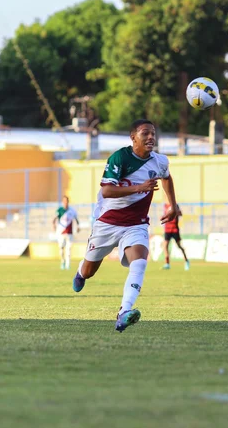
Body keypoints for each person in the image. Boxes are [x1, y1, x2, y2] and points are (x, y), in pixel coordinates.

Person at [71, 119, 178, 332]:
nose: (150, 138)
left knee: (139, 262)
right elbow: (107, 191)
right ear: (133, 137)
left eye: (153, 134)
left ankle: (123, 312)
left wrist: (173, 205)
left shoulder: (160, 161)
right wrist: (139, 187)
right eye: (145, 133)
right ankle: (81, 273)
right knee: (89, 271)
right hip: (107, 223)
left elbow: (166, 177)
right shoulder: (120, 157)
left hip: (136, 224)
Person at [52, 195, 79, 270]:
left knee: (69, 249)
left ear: (68, 202)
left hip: (69, 233)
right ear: (63, 202)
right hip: (61, 232)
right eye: (64, 201)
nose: (65, 203)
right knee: (61, 248)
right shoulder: (60, 210)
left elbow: (76, 220)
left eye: (66, 201)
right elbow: (54, 218)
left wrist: (78, 227)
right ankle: (62, 261)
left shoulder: (72, 211)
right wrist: (53, 225)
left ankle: (68, 264)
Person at [161, 203, 190, 271]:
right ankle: (167, 263)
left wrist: (176, 212)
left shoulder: (175, 204)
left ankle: (186, 261)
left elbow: (180, 214)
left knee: (179, 246)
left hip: (174, 229)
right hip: (167, 229)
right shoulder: (165, 206)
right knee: (165, 246)